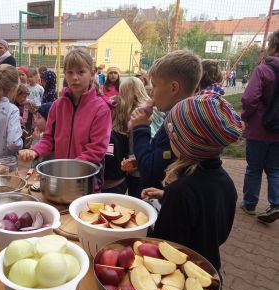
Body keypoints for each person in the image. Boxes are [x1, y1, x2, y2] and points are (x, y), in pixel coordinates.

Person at [142, 93, 242, 271]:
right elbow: (210, 221)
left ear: (184, 143)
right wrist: (165, 196)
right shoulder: (226, 183)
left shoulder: (181, 190)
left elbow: (165, 246)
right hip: (208, 267)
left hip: (182, 274)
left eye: (172, 135)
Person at [18, 48, 112, 190]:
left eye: (81, 72)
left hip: (86, 181)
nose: (75, 77)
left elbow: (97, 149)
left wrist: (69, 168)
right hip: (61, 178)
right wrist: (35, 151)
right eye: (70, 72)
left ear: (92, 73)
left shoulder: (101, 109)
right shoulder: (57, 105)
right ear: (65, 75)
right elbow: (49, 139)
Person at [128, 50, 202, 190]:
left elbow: (150, 171)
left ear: (173, 88)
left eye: (154, 85)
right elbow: (161, 162)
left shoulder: (177, 126)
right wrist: (141, 159)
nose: (151, 92)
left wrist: (141, 128)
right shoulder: (186, 117)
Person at [241, 30, 279, 223]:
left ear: (273, 46)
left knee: (254, 168)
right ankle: (276, 203)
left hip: (259, 129)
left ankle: (249, 203)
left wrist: (246, 117)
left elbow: (249, 99)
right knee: (275, 169)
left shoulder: (263, 70)